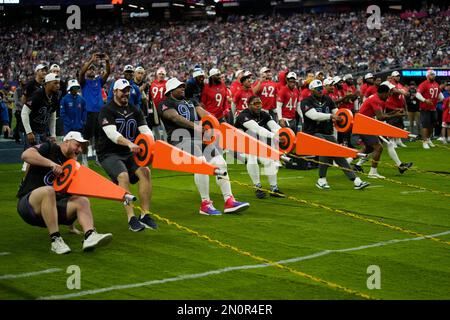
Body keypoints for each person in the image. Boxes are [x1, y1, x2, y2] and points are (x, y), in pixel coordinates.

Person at [158, 77, 250, 215]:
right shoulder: (165, 104)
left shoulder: (191, 101)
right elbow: (175, 118)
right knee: (200, 162)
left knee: (221, 162)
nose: (183, 88)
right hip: (180, 139)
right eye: (179, 87)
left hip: (199, 138)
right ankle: (205, 203)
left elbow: (204, 113)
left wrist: (212, 123)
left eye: (183, 86)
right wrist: (196, 126)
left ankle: (229, 200)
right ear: (171, 90)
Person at [16, 131, 112, 254]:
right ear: (67, 141)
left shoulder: (73, 165)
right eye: (77, 145)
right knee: (48, 191)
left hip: (52, 210)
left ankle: (90, 235)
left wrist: (71, 224)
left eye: (81, 148)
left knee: (82, 200)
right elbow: (26, 155)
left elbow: (71, 193)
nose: (79, 150)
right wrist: (51, 164)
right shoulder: (50, 147)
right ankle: (56, 240)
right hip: (29, 206)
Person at [96, 79, 157, 232]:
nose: (126, 93)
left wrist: (150, 143)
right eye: (123, 90)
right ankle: (131, 218)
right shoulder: (106, 110)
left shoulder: (134, 109)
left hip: (128, 152)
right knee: (123, 176)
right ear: (115, 92)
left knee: (145, 172)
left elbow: (145, 130)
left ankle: (145, 215)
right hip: (109, 152)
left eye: (128, 90)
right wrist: (129, 143)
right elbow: (111, 133)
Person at [300, 80, 370, 190]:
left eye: (321, 88)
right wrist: (331, 116)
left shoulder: (327, 99)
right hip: (312, 133)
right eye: (318, 89)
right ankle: (322, 179)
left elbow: (337, 113)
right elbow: (314, 116)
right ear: (312, 90)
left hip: (327, 132)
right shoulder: (306, 102)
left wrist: (343, 119)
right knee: (326, 148)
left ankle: (355, 180)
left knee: (338, 153)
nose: (320, 91)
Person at [354, 82, 413, 178]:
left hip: (369, 124)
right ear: (384, 92)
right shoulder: (376, 99)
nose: (390, 95)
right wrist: (395, 114)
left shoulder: (378, 98)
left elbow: (384, 113)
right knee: (379, 147)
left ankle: (350, 162)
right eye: (389, 93)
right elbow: (381, 116)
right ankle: (374, 172)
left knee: (369, 149)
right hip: (365, 125)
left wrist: (394, 111)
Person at [234, 96, 284, 198]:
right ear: (249, 105)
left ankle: (274, 189)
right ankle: (258, 187)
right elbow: (257, 129)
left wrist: (284, 134)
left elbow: (275, 127)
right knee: (252, 157)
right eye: (255, 104)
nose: (258, 106)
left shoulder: (264, 114)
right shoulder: (243, 115)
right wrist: (275, 136)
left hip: (256, 141)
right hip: (238, 143)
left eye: (259, 103)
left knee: (270, 159)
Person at [79, 53, 111, 161]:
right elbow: (81, 72)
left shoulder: (98, 81)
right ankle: (84, 158)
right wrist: (91, 60)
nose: (91, 71)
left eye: (93, 69)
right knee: (86, 138)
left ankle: (98, 157)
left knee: (99, 137)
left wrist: (107, 61)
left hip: (99, 112)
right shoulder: (83, 82)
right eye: (89, 69)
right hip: (88, 112)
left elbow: (108, 72)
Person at [21, 73, 60, 149]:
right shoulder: (38, 94)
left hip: (43, 130)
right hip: (32, 130)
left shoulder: (55, 96)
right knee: (31, 157)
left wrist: (53, 135)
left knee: (41, 157)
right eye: (55, 83)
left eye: (58, 83)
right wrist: (29, 132)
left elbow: (52, 116)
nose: (58, 85)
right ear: (47, 84)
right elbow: (24, 112)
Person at [60, 79, 87, 165]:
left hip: (79, 127)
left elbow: (84, 111)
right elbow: (62, 113)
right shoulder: (64, 99)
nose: (75, 89)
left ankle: (80, 161)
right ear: (70, 88)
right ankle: (66, 161)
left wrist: (82, 121)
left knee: (78, 146)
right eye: (74, 87)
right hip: (68, 128)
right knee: (68, 145)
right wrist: (69, 123)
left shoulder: (81, 99)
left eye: (76, 87)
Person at [416, 69, 445, 149]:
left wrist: (439, 100)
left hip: (433, 108)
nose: (434, 75)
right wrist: (425, 100)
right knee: (425, 125)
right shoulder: (424, 84)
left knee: (432, 125)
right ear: (427, 75)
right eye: (432, 74)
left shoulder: (436, 84)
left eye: (434, 74)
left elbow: (440, 95)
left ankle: (428, 139)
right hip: (425, 108)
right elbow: (417, 94)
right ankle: (424, 142)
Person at [149, 67, 167, 140]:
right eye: (160, 74)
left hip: (163, 107)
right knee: (155, 125)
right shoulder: (153, 83)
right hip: (154, 108)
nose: (161, 75)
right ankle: (158, 140)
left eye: (163, 74)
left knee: (164, 126)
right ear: (157, 74)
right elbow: (150, 96)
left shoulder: (167, 83)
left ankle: (165, 141)